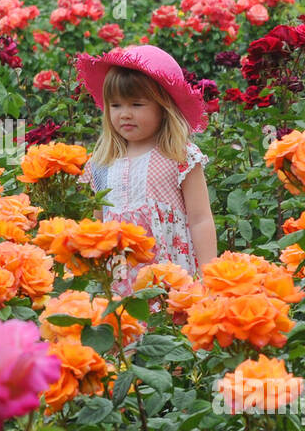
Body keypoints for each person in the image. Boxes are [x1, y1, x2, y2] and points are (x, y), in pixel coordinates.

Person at [74, 44, 219, 298]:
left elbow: (200, 219)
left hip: (169, 276)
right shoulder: (102, 163)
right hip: (119, 280)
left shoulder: (178, 155)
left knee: (167, 334)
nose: (125, 114)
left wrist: (209, 278)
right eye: (116, 105)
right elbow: (97, 222)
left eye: (137, 104)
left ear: (163, 107)